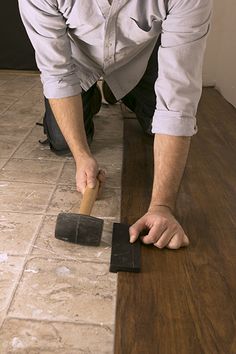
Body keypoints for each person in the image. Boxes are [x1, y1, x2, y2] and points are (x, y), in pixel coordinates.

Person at [19, 0, 212, 250]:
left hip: (138, 59)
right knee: (61, 141)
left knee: (155, 125)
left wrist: (162, 206)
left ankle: (121, 89)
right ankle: (93, 94)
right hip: (80, 61)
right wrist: (82, 156)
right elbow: (57, 74)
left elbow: (177, 100)